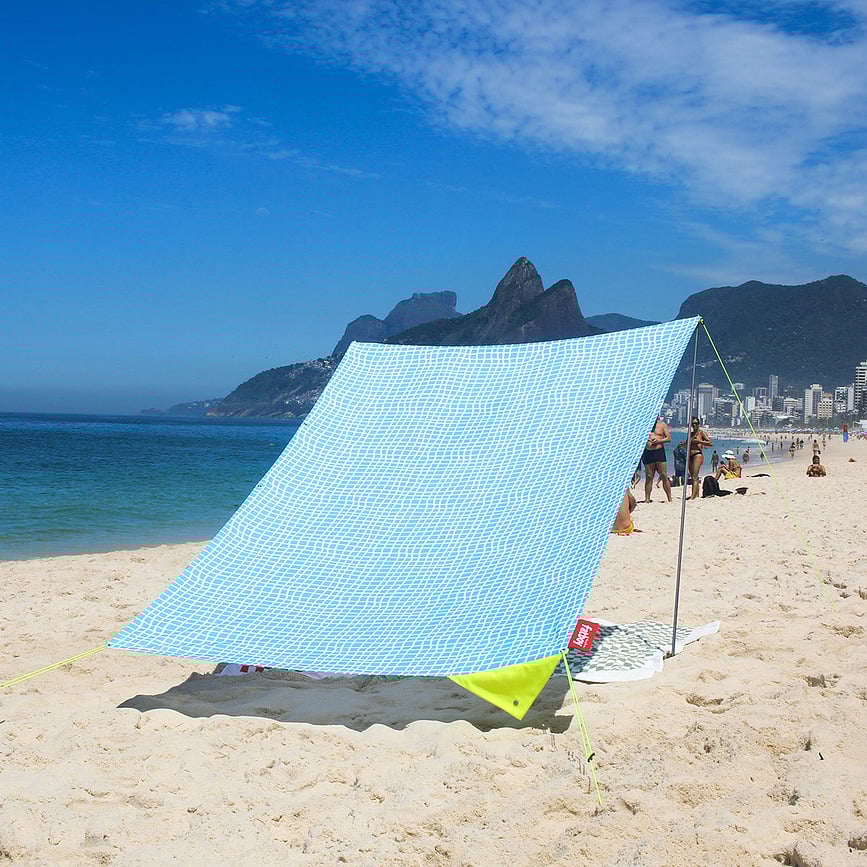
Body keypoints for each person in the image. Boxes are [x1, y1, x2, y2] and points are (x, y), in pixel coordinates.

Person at [642, 415, 672, 503]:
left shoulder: (662, 425)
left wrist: (659, 441)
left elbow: (668, 438)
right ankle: (647, 499)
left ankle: (669, 498)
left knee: (663, 475)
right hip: (648, 452)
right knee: (649, 476)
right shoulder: (644, 425)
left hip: (659, 452)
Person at [688, 417, 712, 500]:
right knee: (693, 477)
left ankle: (692, 496)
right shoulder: (690, 434)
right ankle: (696, 494)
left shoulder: (701, 433)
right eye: (693, 423)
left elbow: (710, 443)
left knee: (694, 477)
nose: (694, 425)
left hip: (697, 455)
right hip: (689, 455)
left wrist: (700, 441)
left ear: (699, 424)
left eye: (696, 423)